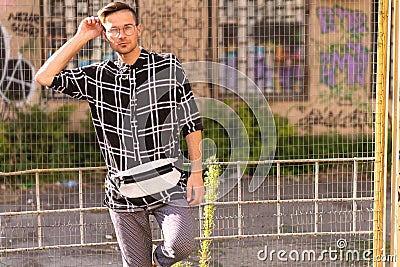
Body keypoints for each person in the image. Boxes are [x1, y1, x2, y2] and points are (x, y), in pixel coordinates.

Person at [35, 2, 204, 266]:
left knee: (181, 244)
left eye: (127, 28)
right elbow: (45, 77)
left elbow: (191, 121)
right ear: (106, 35)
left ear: (138, 29)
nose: (122, 35)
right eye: (114, 30)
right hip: (123, 192)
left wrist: (196, 173)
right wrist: (81, 36)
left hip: (168, 183)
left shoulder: (169, 67)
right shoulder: (98, 76)